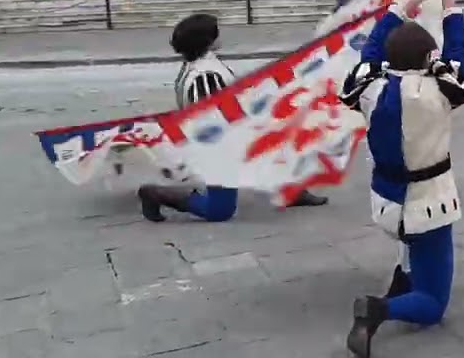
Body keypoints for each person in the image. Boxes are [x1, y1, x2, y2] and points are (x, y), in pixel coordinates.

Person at [339, 0, 464, 358]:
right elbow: (458, 57)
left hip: (386, 201)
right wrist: (450, 2)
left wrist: (405, 1)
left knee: (410, 240)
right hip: (428, 204)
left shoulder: (370, 88)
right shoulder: (436, 93)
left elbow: (371, 52)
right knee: (433, 304)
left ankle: (403, 277)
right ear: (430, 59)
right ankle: (378, 309)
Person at [136, 13, 329, 222]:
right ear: (208, 41)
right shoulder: (204, 74)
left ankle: (293, 192)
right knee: (219, 211)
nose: (221, 36)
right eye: (216, 32)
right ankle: (155, 194)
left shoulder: (201, 65)